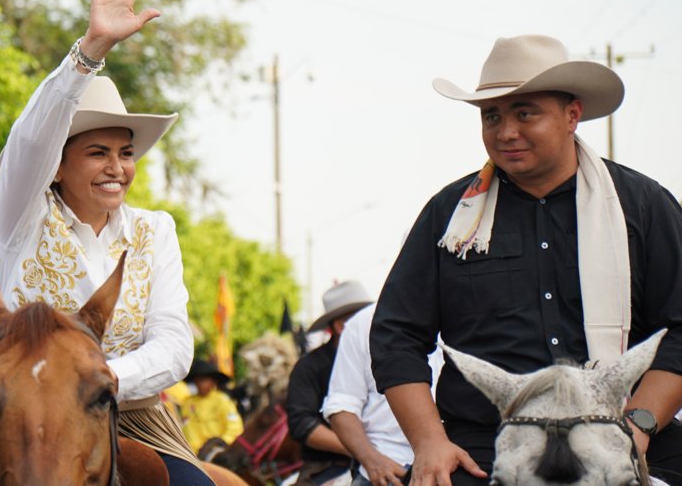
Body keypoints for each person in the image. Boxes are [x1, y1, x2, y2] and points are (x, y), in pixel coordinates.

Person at [370, 34, 682, 485]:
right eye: (491, 116)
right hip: (488, 444)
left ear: (572, 115)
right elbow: (396, 335)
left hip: (626, 427)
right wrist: (429, 442)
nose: (506, 132)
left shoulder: (642, 206)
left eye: (525, 113)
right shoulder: (450, 215)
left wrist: (639, 425)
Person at [0, 0, 210, 484]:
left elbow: (174, 344)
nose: (117, 168)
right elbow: (29, 142)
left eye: (125, 153)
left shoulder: (155, 230)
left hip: (133, 422)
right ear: (57, 166)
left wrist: (97, 380)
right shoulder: (22, 216)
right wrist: (90, 52)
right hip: (26, 423)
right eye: (97, 153)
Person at [323, 302, 443, 486]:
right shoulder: (362, 323)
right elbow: (341, 407)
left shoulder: (464, 317)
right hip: (389, 468)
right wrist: (373, 461)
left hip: (456, 463)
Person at [287, 281, 371, 485]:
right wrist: (362, 450)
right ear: (341, 326)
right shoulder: (310, 366)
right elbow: (302, 423)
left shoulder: (386, 357)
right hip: (328, 467)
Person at [178, 359, 244, 453]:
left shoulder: (222, 400)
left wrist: (219, 445)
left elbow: (235, 428)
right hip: (192, 454)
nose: (200, 384)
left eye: (204, 380)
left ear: (213, 381)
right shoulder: (188, 403)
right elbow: (186, 430)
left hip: (216, 452)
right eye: (197, 381)